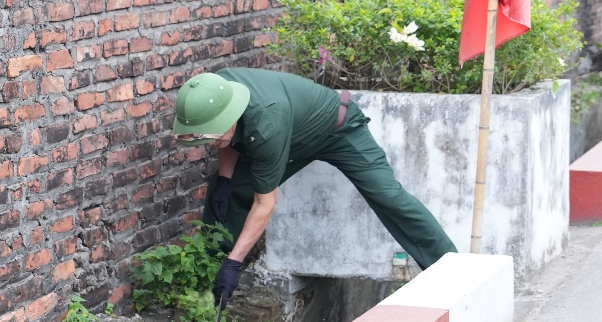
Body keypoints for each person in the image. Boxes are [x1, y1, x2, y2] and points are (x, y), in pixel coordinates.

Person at [173, 68, 457, 305]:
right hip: (289, 136)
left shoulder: (266, 123)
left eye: (212, 137)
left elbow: (265, 203)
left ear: (231, 114)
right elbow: (225, 139)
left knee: (388, 196)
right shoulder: (213, 93)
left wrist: (235, 263)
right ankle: (210, 281)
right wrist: (224, 180)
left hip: (337, 129)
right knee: (230, 190)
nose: (210, 144)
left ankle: (453, 270)